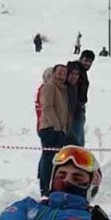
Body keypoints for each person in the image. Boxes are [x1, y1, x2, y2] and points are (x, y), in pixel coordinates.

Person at [37, 64, 73, 196]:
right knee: (48, 159)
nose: (62, 75)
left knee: (55, 160)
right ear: (53, 73)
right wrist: (57, 126)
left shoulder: (61, 89)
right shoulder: (49, 87)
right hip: (50, 129)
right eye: (59, 72)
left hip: (58, 129)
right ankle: (45, 190)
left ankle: (51, 188)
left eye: (64, 73)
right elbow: (47, 108)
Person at [72, 49, 95, 146]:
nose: (87, 64)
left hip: (78, 109)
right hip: (73, 111)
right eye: (85, 60)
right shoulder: (75, 70)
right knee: (76, 143)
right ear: (80, 59)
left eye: (90, 62)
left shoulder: (82, 72)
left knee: (78, 142)